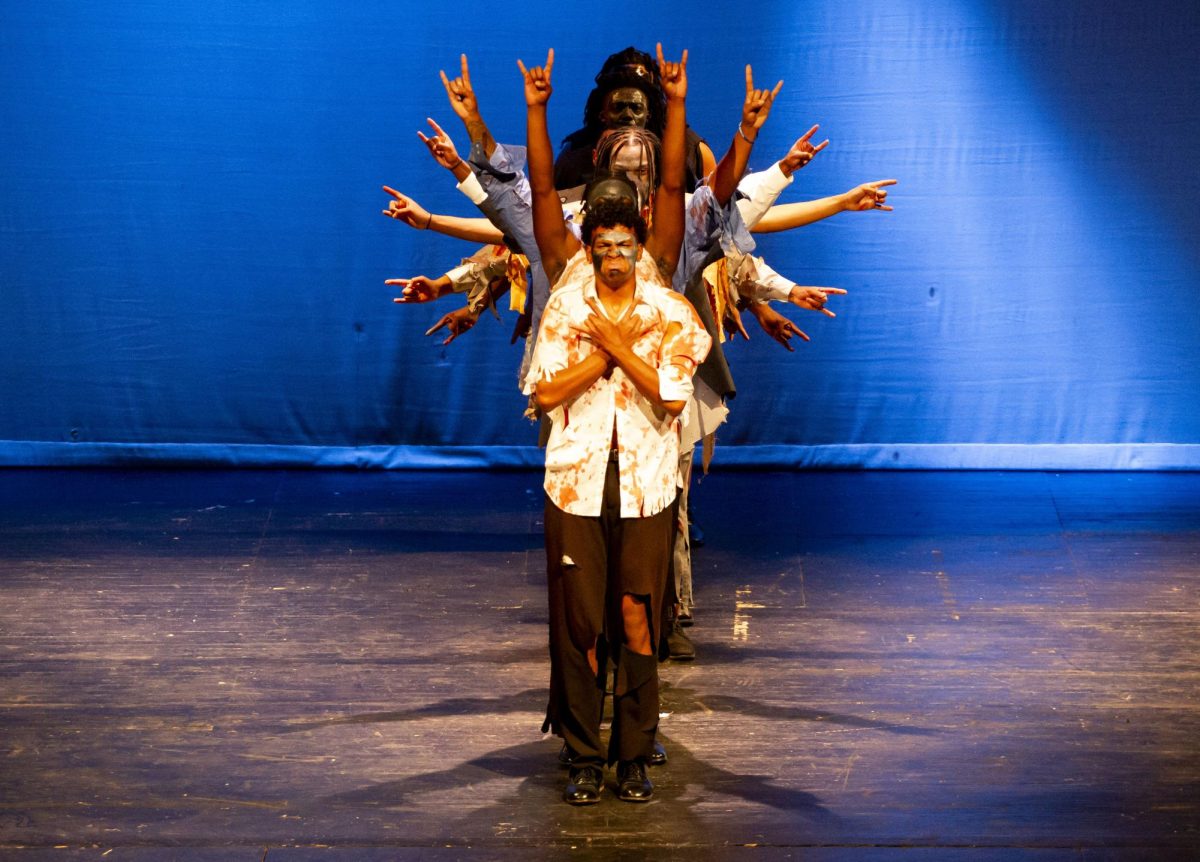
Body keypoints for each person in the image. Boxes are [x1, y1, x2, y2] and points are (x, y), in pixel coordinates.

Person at [521, 45, 711, 805]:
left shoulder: (663, 292)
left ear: (637, 239)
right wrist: (535, 111)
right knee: (579, 623)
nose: (610, 248)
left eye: (620, 237)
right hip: (574, 478)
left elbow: (670, 394)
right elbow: (542, 392)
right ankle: (579, 751)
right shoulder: (568, 290)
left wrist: (678, 106)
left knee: (638, 615)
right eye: (598, 236)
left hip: (646, 481)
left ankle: (635, 746)